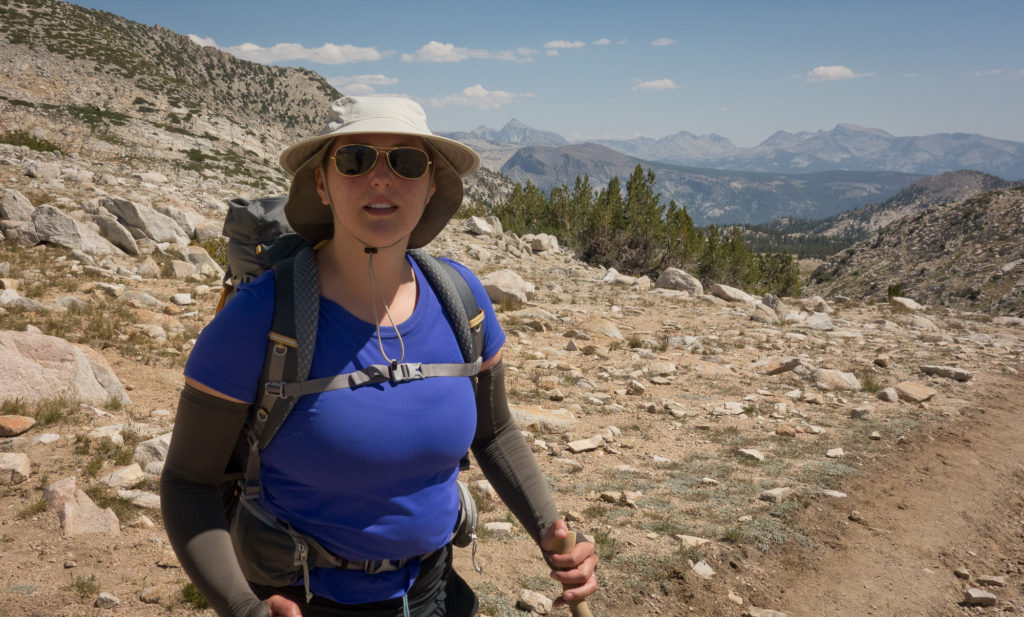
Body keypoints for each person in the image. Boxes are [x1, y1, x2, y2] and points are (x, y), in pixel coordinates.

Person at [161, 95, 598, 617]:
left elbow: (494, 432)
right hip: (307, 600)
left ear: (431, 182)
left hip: (435, 591)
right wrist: (242, 607)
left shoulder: (461, 298)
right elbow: (189, 481)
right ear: (321, 182)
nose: (381, 178)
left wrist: (549, 528)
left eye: (407, 162)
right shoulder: (261, 316)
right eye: (355, 159)